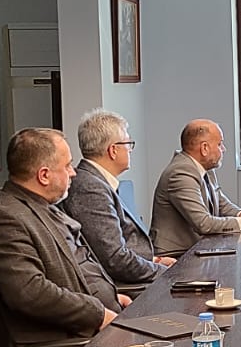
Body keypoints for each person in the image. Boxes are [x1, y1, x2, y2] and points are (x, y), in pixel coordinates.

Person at [0, 128, 130, 347]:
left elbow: (76, 267)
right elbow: (31, 292)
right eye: (67, 166)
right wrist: (99, 314)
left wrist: (113, 297)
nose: (74, 173)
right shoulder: (2, 217)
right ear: (44, 175)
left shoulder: (42, 206)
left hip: (103, 323)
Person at [61, 109, 174, 286]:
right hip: (123, 286)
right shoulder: (90, 188)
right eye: (128, 143)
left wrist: (154, 260)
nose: (130, 150)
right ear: (113, 150)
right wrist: (166, 272)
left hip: (135, 275)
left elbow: (122, 244)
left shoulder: (96, 182)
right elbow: (115, 259)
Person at [150, 120, 241, 257]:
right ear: (204, 148)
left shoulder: (205, 168)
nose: (223, 149)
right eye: (219, 144)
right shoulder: (180, 173)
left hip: (198, 249)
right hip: (176, 256)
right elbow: (203, 223)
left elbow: (222, 205)